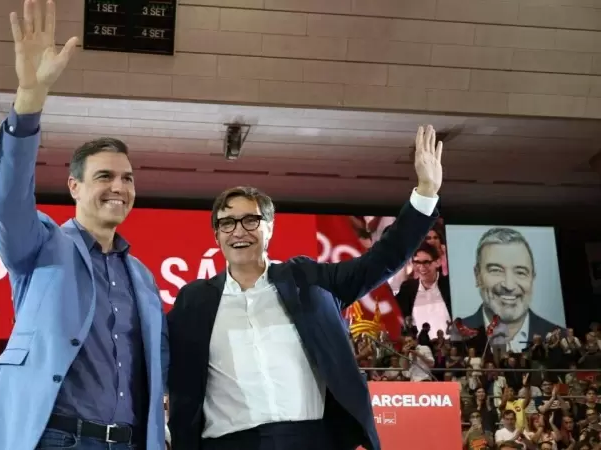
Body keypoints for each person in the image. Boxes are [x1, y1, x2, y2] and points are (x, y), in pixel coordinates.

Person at [0, 1, 168, 449]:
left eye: (127, 178)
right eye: (104, 176)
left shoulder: (144, 278)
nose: (119, 187)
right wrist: (29, 99)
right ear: (73, 186)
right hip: (55, 439)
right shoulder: (41, 245)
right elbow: (7, 199)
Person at [166, 125, 444, 450]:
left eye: (250, 220)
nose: (238, 231)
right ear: (217, 235)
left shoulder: (309, 280)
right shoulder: (194, 301)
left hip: (310, 440)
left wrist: (425, 192)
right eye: (226, 223)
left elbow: (382, 259)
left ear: (269, 229)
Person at [460, 227, 563, 352]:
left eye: (520, 272)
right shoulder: (457, 336)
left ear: (532, 277)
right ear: (477, 276)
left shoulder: (559, 336)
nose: (509, 286)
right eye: (496, 270)